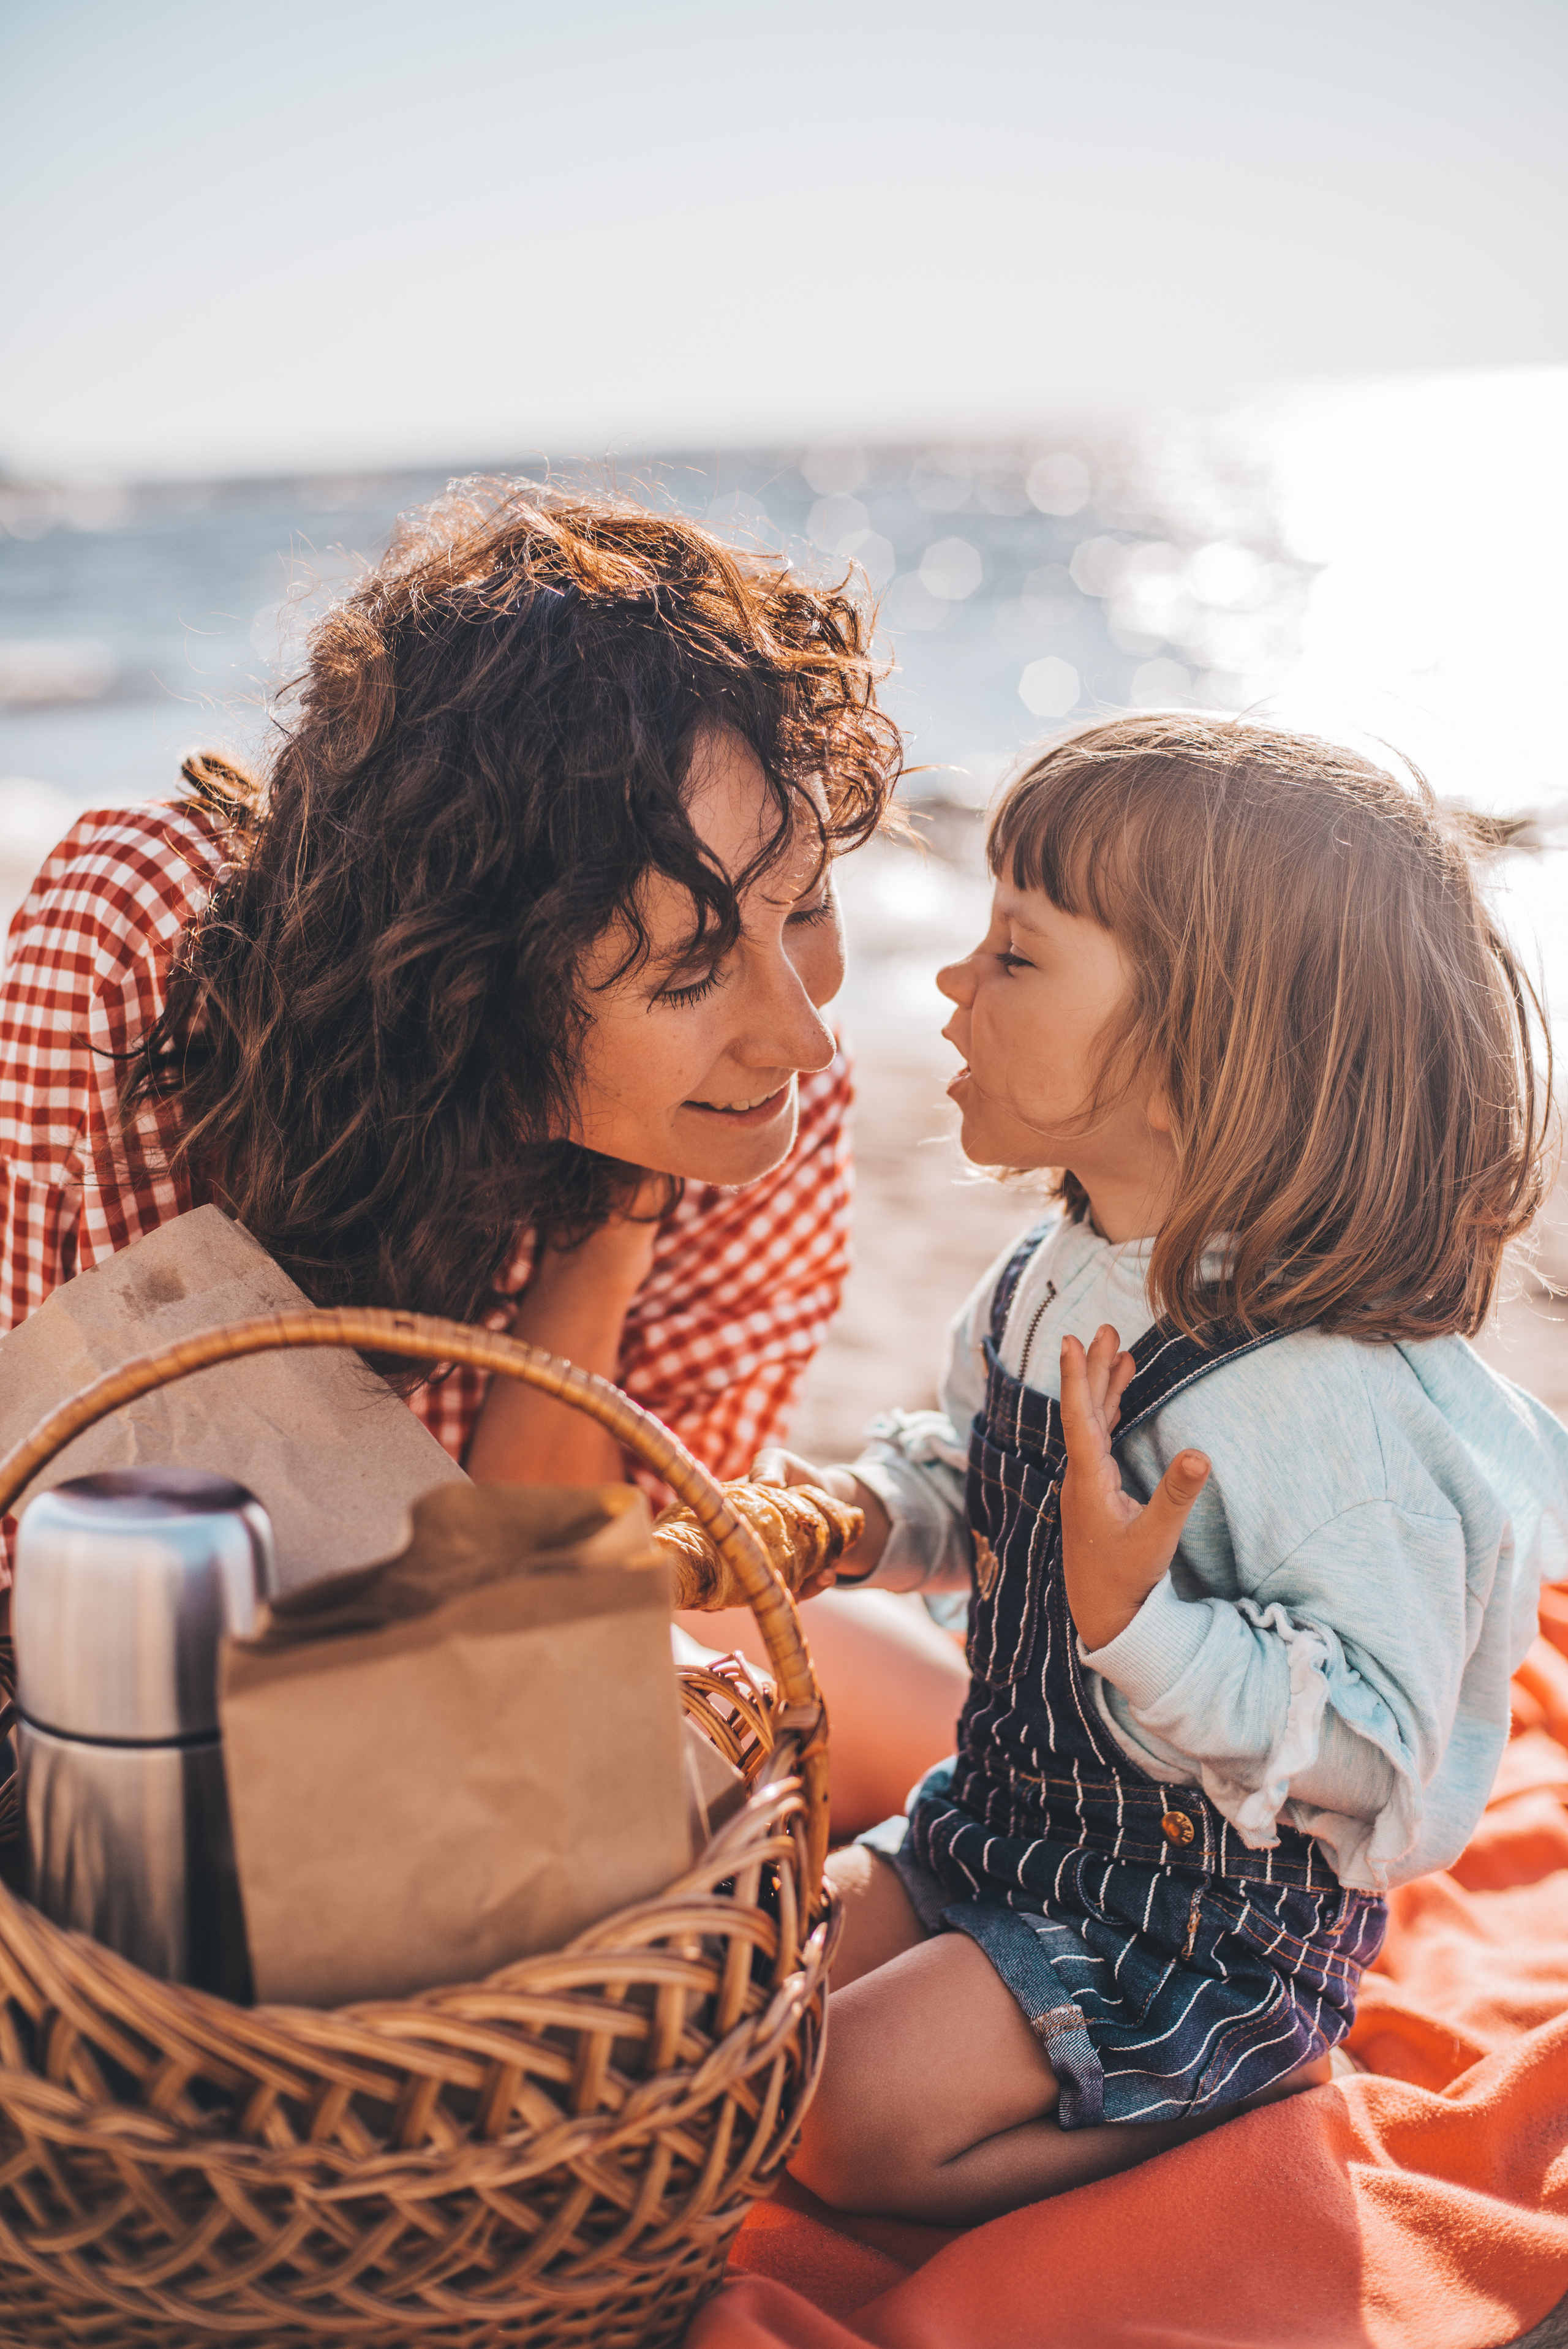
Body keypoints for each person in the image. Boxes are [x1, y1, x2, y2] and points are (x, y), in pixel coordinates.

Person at [760, 712, 1568, 2223]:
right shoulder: (1044, 1273)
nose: (946, 988)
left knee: (836, 2107)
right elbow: (981, 1483)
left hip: (1189, 1924)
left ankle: (1235, 2091)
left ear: (1185, 1059)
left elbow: (1381, 1757)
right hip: (996, 1825)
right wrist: (856, 1515)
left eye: (1013, 953)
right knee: (735, 1985)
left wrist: (1149, 1627)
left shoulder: (1319, 1400)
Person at [0, 481, 902, 1591]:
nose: (803, 1039)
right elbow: (97, 1536)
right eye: (690, 969)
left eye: (807, 905)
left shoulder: (755, 1111)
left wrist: (612, 1219)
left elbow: (577, 1598)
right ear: (477, 973)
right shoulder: (161, 943)